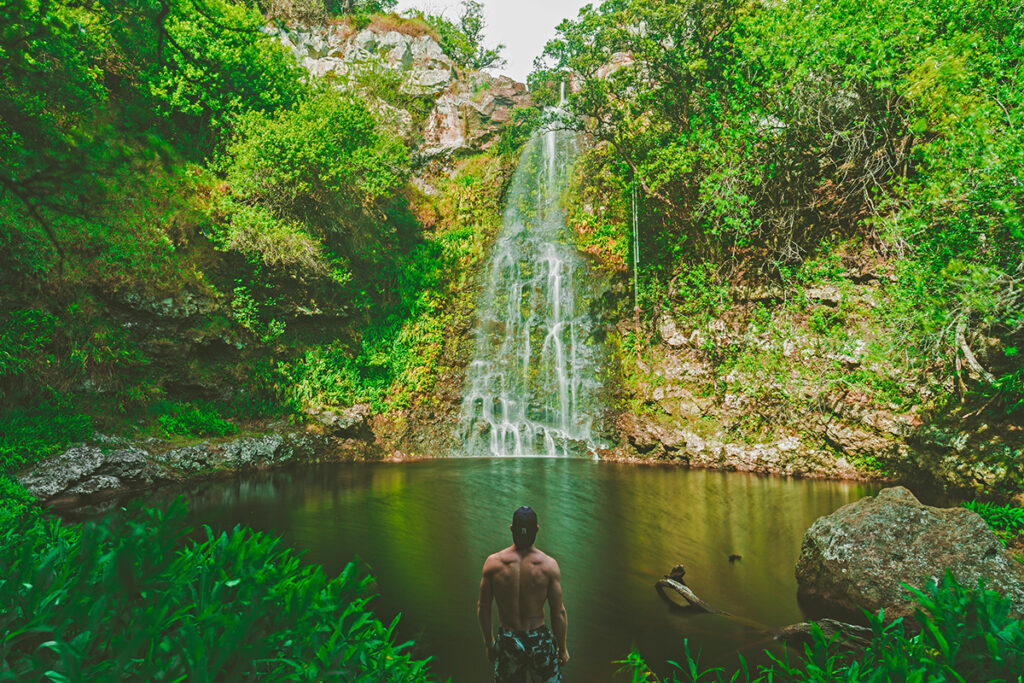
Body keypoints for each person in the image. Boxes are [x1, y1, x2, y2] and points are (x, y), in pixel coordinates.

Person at [477, 506, 569, 683]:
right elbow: (558, 612)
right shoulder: (548, 566)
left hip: (508, 641)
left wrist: (490, 644)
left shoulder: (493, 564)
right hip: (539, 641)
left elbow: (483, 607)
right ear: (537, 530)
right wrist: (562, 649)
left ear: (511, 528)